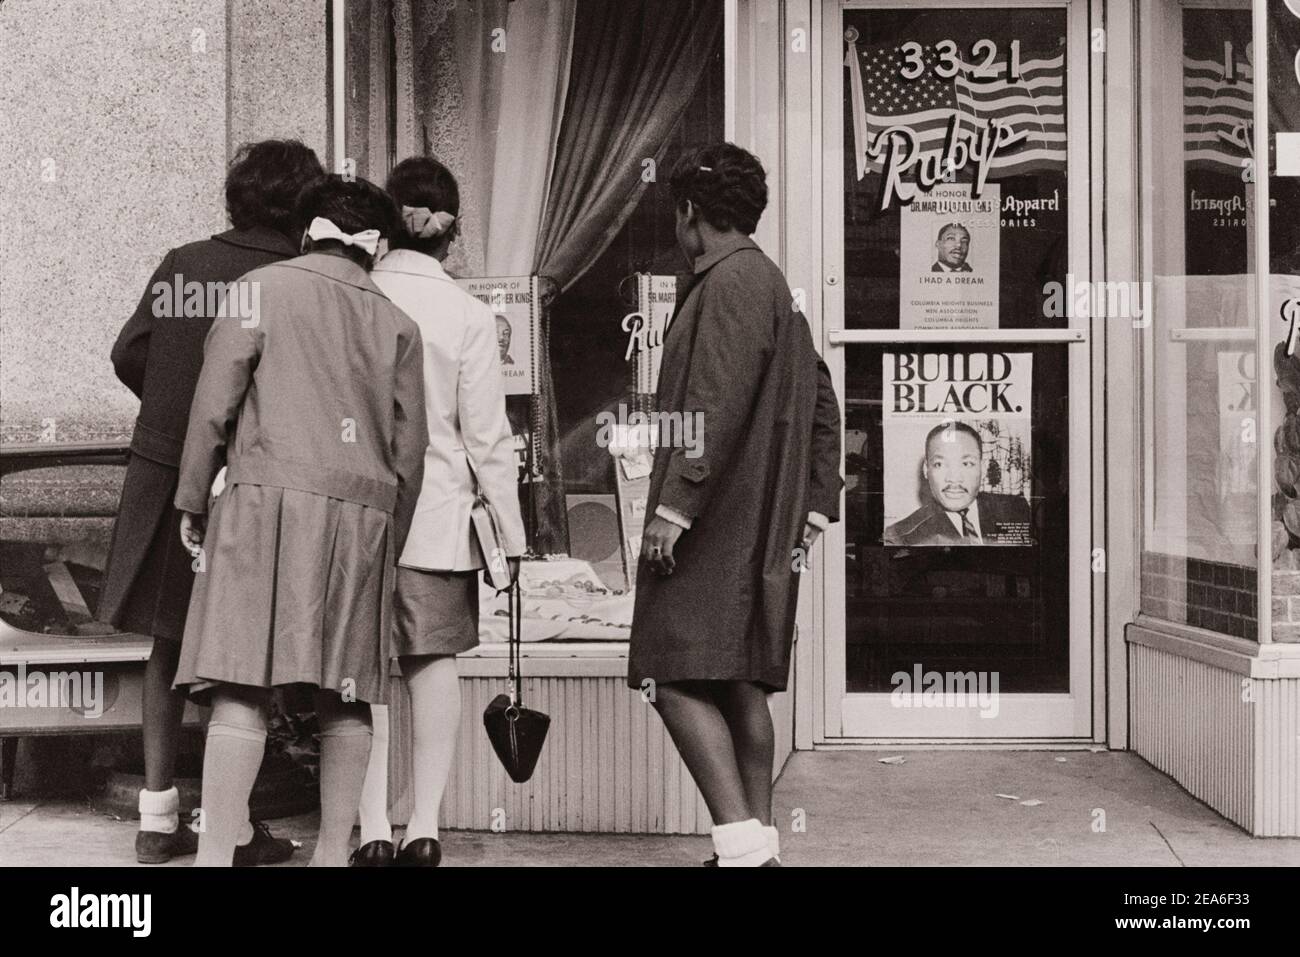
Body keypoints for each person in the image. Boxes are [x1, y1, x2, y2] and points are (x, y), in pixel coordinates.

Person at [171, 174, 428, 866]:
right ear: (374, 247)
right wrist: (386, 540)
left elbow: (212, 407)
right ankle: (331, 859)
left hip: (261, 503)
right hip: (361, 519)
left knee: (241, 684)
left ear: (309, 230)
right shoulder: (398, 323)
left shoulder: (261, 290)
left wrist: (192, 498)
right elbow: (411, 453)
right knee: (344, 696)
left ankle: (216, 857)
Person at [100, 139, 323, 865]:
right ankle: (231, 823)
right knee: (239, 655)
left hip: (164, 472)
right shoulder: (293, 276)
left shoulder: (182, 261)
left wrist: (173, 407)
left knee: (167, 643)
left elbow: (130, 351)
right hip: (249, 482)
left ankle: (157, 816)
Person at [628, 143, 843, 867]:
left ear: (691, 212)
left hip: (714, 522)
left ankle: (743, 849)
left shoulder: (723, 284)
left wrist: (674, 508)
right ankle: (759, 844)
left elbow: (710, 403)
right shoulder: (775, 286)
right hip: (762, 524)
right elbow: (823, 401)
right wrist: (812, 507)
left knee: (671, 672)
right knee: (741, 680)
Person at [351, 157, 526, 868]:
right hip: (439, 519)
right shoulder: (470, 315)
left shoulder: (355, 296)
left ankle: (367, 829)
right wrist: (510, 539)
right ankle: (424, 824)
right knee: (431, 665)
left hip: (356, 516)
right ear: (451, 235)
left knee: (359, 673)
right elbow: (489, 440)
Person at [883, 420, 1031, 546]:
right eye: (939, 464)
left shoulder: (1016, 509)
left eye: (967, 463)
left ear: (983, 468)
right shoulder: (899, 537)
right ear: (926, 470)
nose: (954, 478)